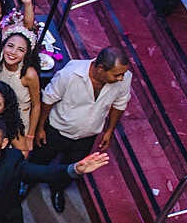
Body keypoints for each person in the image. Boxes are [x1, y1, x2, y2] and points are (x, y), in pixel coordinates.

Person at [28, 48, 132, 212]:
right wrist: (40, 128)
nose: (121, 78)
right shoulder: (70, 74)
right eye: (116, 75)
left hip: (88, 135)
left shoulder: (124, 78)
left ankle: (58, 189)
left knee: (72, 166)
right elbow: (48, 100)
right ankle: (27, 182)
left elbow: (119, 104)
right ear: (100, 69)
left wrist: (109, 130)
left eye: (122, 74)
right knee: (40, 160)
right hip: (57, 130)